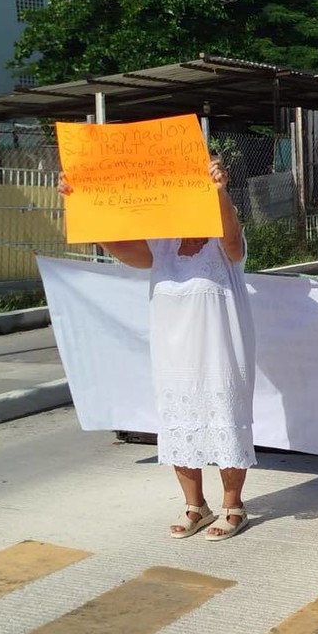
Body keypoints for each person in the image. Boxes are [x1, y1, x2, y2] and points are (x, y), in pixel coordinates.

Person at [58, 158, 256, 540]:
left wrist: (218, 191)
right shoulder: (161, 243)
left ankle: (234, 505)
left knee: (224, 414)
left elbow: (231, 239)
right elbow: (126, 253)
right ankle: (195, 506)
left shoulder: (224, 242)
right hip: (173, 346)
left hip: (219, 345)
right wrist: (82, 203)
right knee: (178, 418)